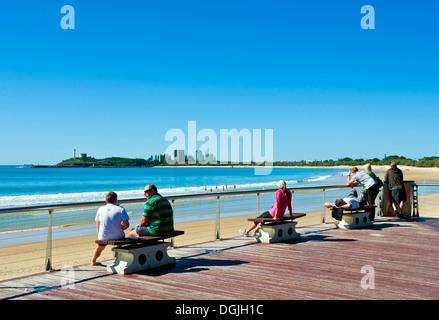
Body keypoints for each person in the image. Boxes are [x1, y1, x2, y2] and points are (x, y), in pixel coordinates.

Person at [90, 191, 130, 265]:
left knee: (99, 248)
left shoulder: (100, 209)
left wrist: (100, 235)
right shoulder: (121, 209)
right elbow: (127, 225)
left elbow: (98, 224)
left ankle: (93, 260)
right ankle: (119, 256)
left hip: (103, 236)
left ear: (106, 201)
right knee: (122, 235)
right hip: (117, 236)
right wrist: (120, 227)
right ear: (116, 200)